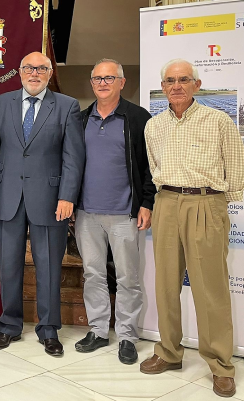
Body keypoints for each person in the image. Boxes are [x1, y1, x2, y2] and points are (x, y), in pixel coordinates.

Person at [141, 59, 244, 398]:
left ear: (196, 85)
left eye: (183, 79)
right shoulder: (154, 126)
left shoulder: (218, 120)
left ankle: (220, 365)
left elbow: (236, 167)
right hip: (167, 203)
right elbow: (153, 165)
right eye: (170, 80)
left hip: (206, 204)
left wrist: (217, 206)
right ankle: (169, 352)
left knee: (210, 288)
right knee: (165, 284)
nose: (176, 86)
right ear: (163, 87)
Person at [0, 51, 85, 357]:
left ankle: (49, 329)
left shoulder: (67, 106)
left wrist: (67, 196)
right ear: (19, 71)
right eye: (28, 67)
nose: (34, 73)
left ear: (49, 72)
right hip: (8, 196)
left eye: (41, 68)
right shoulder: (2, 103)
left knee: (49, 266)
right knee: (9, 265)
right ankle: (9, 325)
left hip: (50, 199)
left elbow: (73, 157)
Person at [74, 58, 155, 364]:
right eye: (98, 78)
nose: (103, 83)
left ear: (122, 82)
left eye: (110, 78)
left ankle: (127, 336)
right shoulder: (81, 120)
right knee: (92, 274)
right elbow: (73, 166)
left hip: (125, 215)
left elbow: (150, 168)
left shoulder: (138, 119)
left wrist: (146, 203)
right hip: (86, 214)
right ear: (92, 84)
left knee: (128, 278)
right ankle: (97, 330)